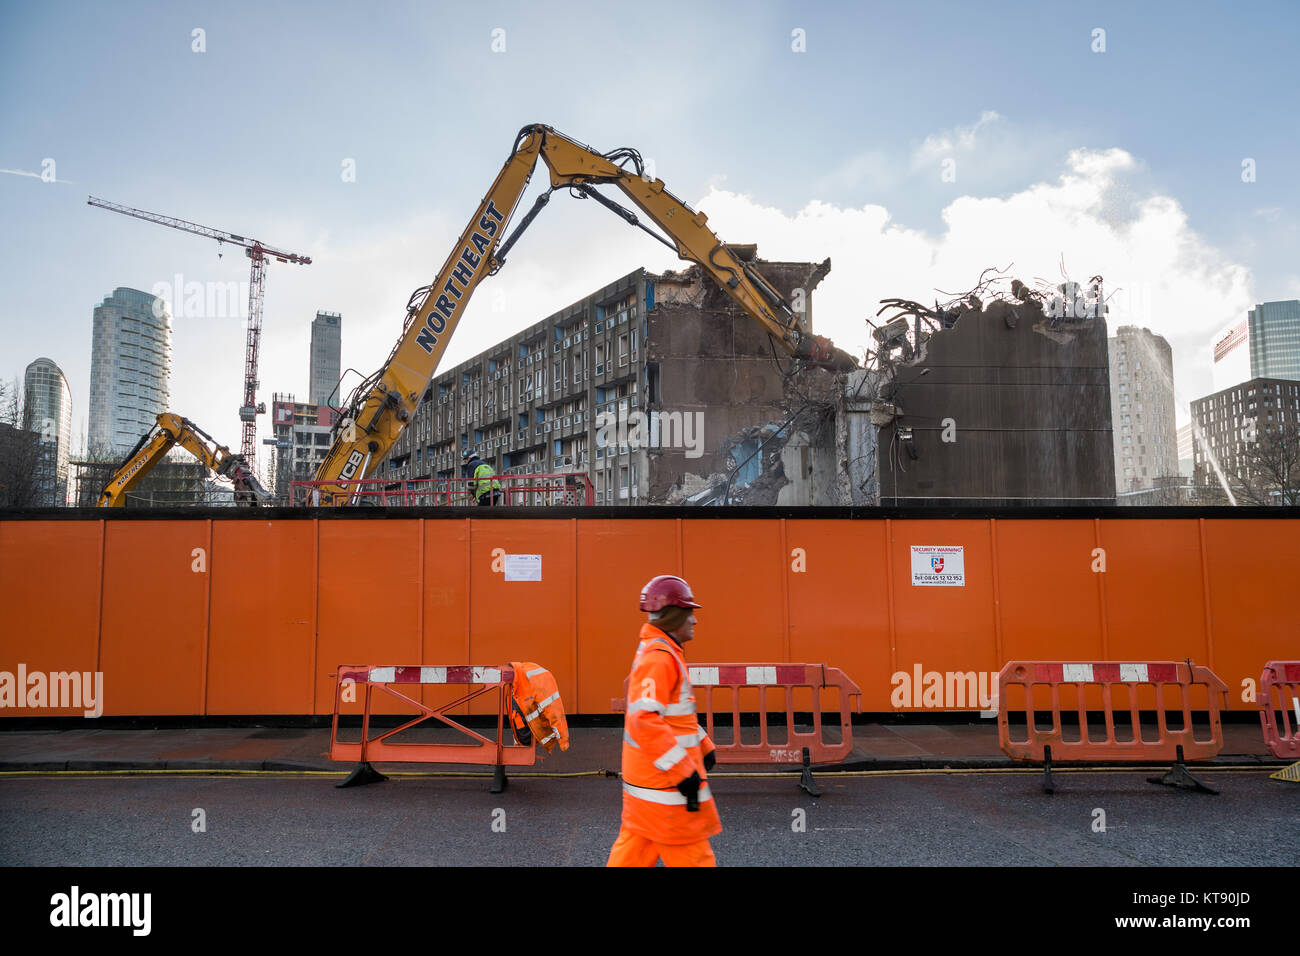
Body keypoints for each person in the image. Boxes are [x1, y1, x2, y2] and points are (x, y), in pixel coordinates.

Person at [607, 574, 721, 867]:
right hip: (666, 790)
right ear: (674, 617)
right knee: (694, 857)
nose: (695, 621)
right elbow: (644, 720)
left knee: (632, 853)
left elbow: (671, 716)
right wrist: (684, 771)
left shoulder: (661, 652)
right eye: (689, 613)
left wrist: (703, 744)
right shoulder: (660, 657)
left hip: (646, 786)